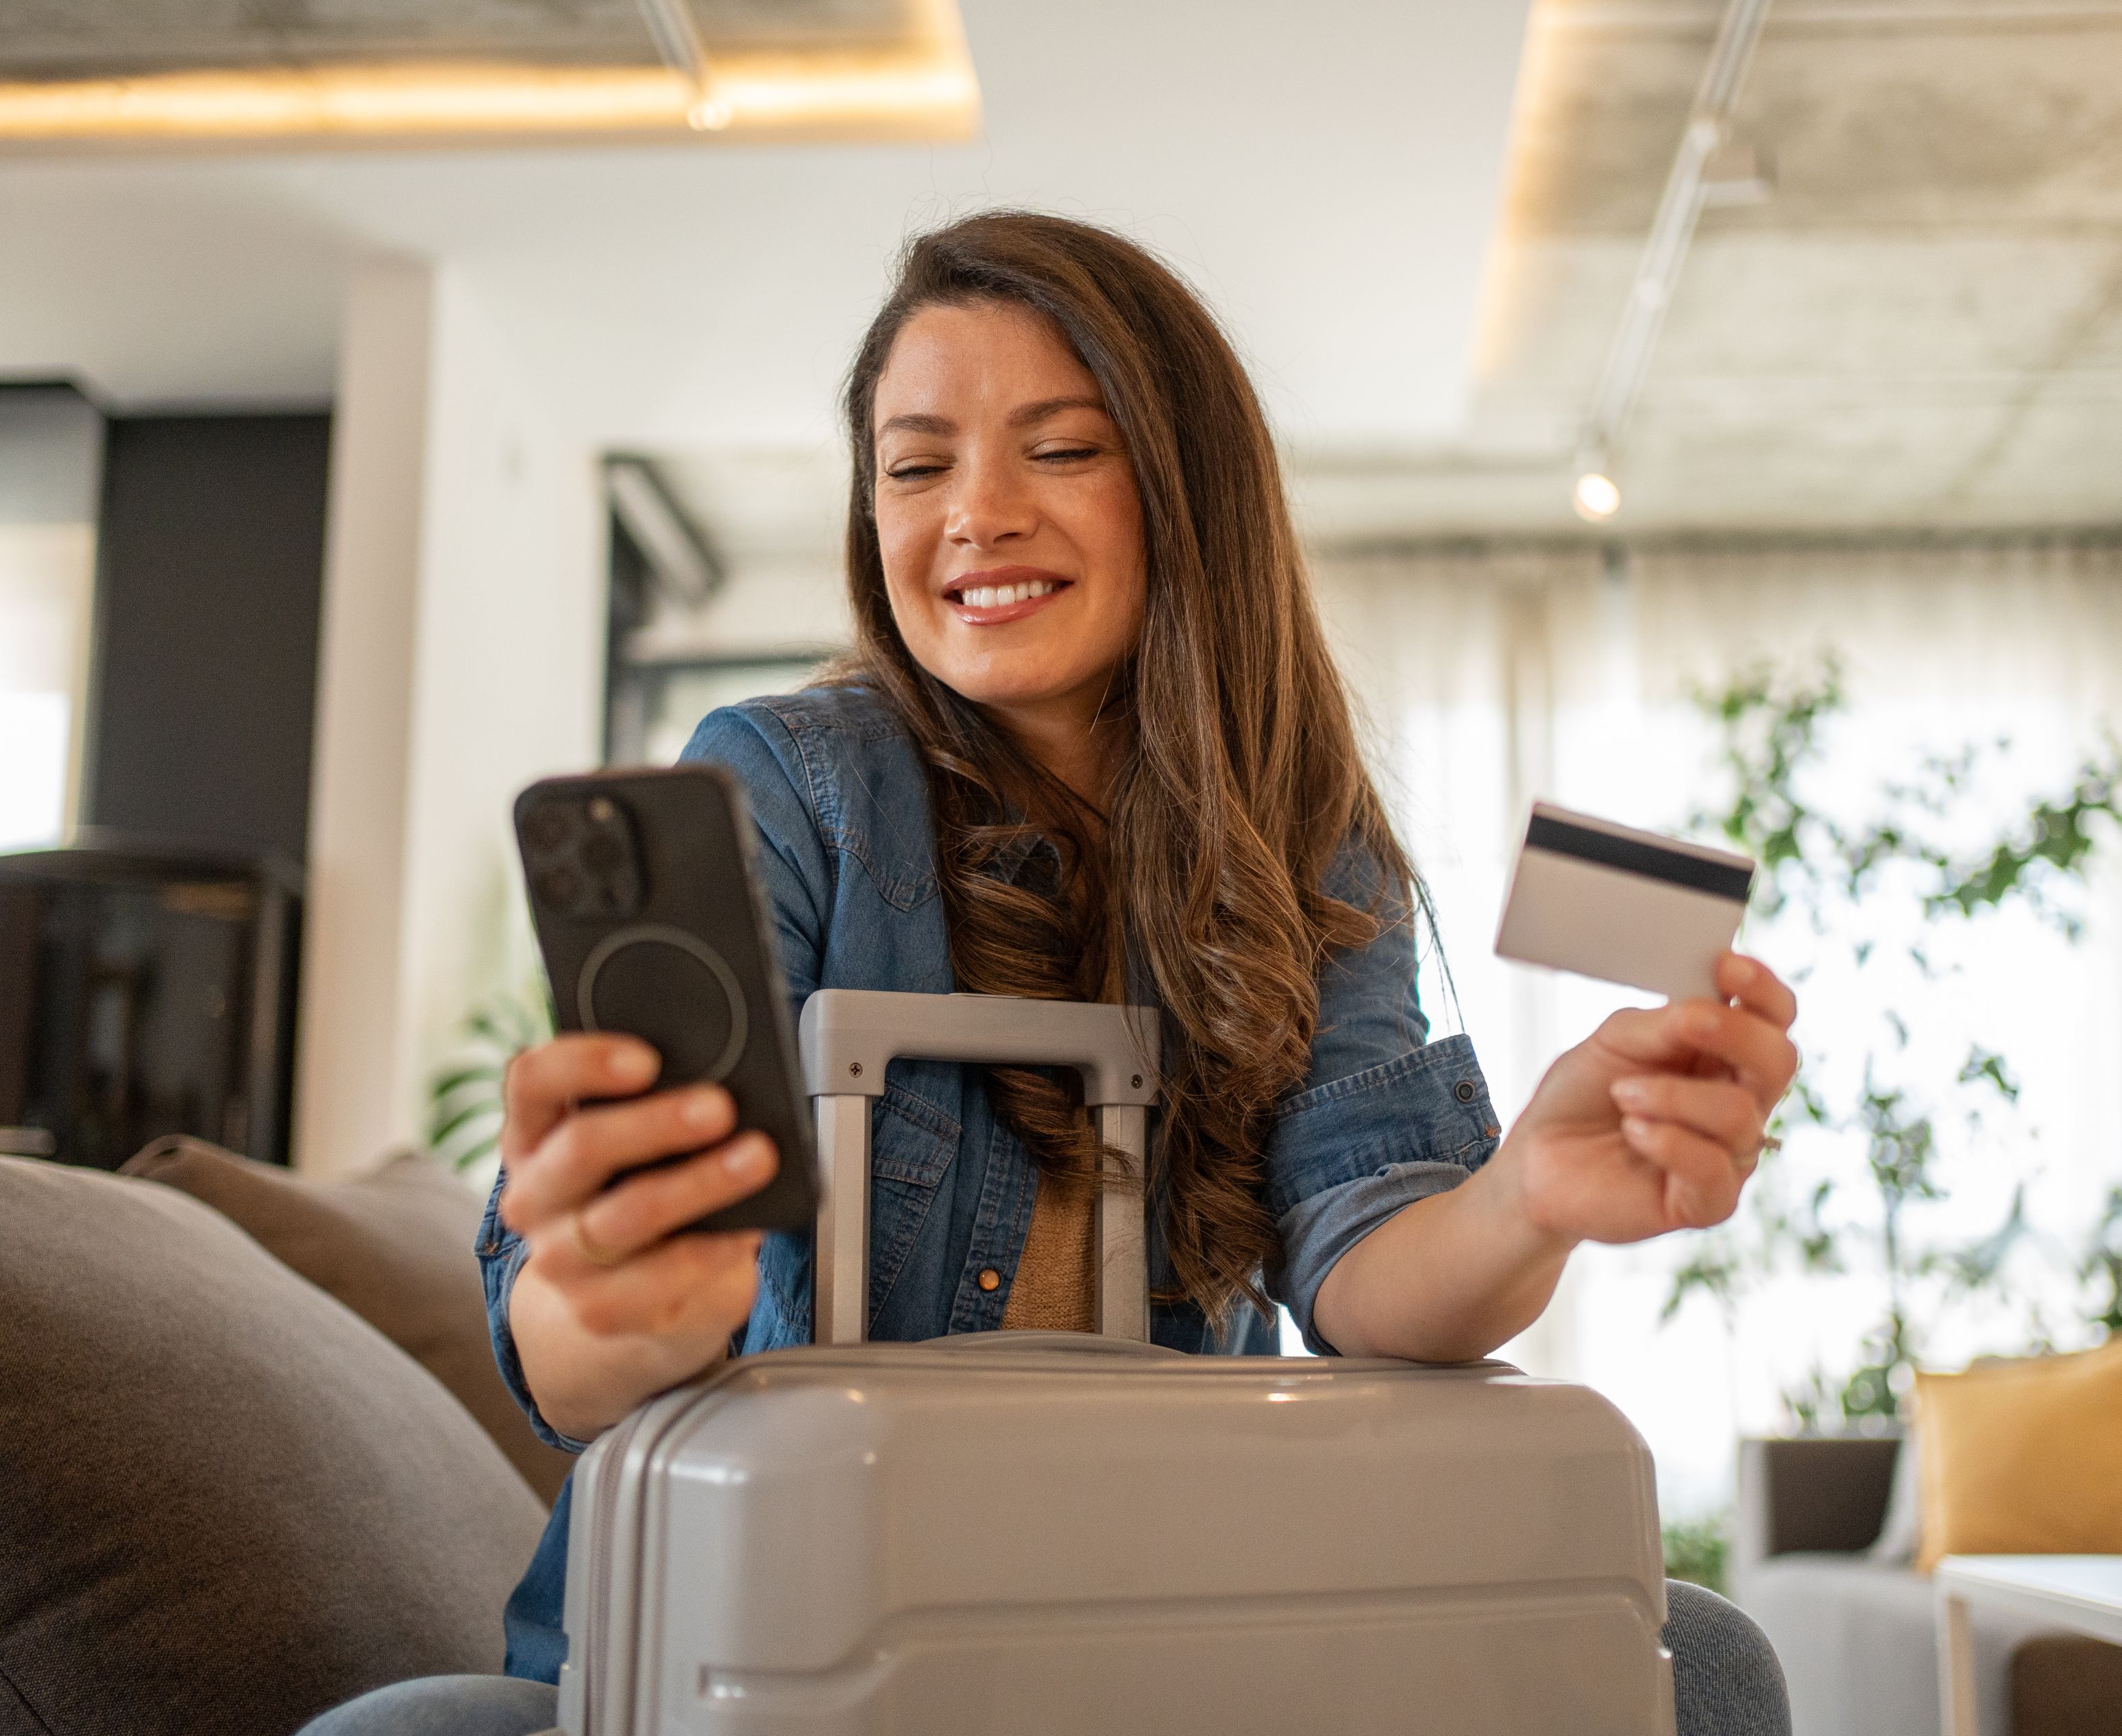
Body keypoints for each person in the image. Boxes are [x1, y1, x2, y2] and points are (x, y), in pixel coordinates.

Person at [305, 210, 1798, 1736]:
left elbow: (1366, 1258)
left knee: (1703, 1661)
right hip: (762, 1635)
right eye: (916, 466)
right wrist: (617, 1301)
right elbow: (577, 1359)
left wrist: (1529, 1195)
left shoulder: (1306, 841)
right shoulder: (791, 788)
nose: (976, 514)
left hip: (1134, 1618)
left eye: (1063, 450)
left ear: (1187, 491)